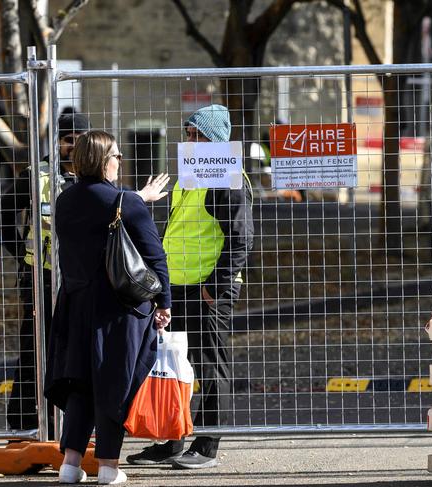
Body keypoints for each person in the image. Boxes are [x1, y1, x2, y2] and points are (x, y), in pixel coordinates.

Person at [126, 104, 254, 469]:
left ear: (216, 139)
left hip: (206, 288)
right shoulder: (192, 174)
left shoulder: (226, 176)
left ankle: (207, 444)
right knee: (173, 365)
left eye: (198, 134)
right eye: (188, 133)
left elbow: (242, 238)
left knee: (210, 365)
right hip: (178, 286)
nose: (190, 140)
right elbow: (180, 228)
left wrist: (216, 286)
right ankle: (171, 440)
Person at [44, 130, 172, 485]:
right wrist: (164, 302)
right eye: (116, 155)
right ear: (104, 160)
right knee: (114, 383)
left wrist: (135, 197)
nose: (120, 161)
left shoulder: (65, 201)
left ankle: (70, 464)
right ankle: (109, 468)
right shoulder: (125, 203)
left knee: (80, 382)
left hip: (75, 305)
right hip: (118, 309)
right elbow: (155, 256)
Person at [0, 111, 91, 433]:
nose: (73, 147)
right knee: (35, 352)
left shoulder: (95, 175)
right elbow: (2, 212)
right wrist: (21, 254)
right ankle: (23, 425)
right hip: (42, 278)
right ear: (57, 142)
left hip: (82, 281)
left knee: (79, 353)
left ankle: (68, 425)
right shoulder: (38, 175)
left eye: (79, 140)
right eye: (67, 141)